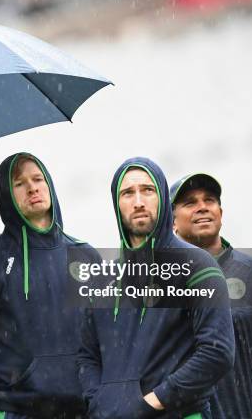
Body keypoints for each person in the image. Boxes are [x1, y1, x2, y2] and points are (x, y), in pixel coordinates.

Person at [77, 157, 235, 418]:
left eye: (147, 190)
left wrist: (151, 403)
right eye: (128, 193)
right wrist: (99, 401)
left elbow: (217, 352)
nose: (138, 201)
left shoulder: (196, 264)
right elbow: (87, 356)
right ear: (116, 204)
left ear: (162, 197)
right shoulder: (103, 280)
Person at [0, 152, 98, 419]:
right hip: (18, 411)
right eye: (19, 183)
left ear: (50, 185)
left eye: (37, 179)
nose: (32, 187)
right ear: (5, 195)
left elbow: (106, 343)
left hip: (84, 410)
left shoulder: (86, 255)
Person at [170, 172, 252, 418]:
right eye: (190, 202)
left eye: (209, 200)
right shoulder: (156, 279)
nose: (202, 208)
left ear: (221, 213)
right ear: (172, 221)